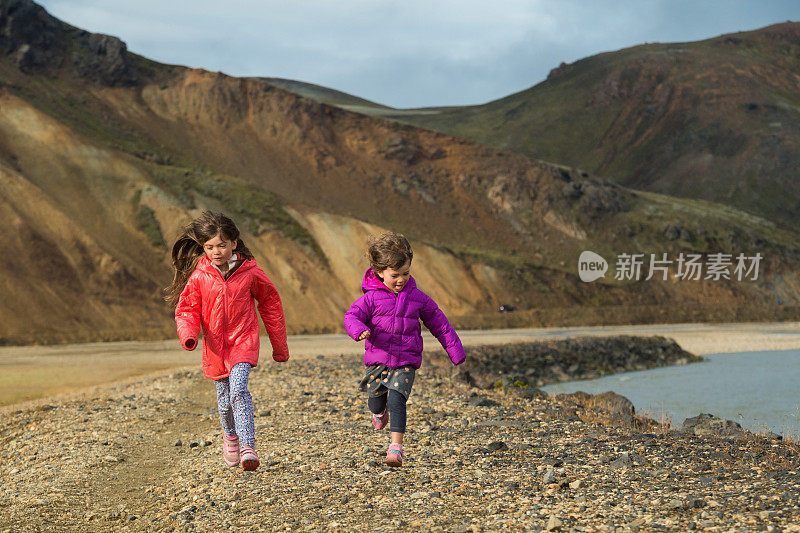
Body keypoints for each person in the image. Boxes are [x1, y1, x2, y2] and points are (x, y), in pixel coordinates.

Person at [165, 211, 289, 471]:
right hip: (215, 347)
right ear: (203, 247)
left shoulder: (251, 272)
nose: (216, 251)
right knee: (224, 402)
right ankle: (230, 437)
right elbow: (187, 308)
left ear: (234, 242)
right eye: (209, 246)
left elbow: (270, 303)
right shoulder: (200, 276)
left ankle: (248, 447)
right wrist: (189, 335)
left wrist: (279, 347)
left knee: (239, 390)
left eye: (221, 245)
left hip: (244, 340)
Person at [344, 232, 465, 467]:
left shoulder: (418, 298)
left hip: (406, 359)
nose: (401, 279)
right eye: (395, 275)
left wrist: (456, 352)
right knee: (376, 400)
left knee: (398, 398)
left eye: (406, 273)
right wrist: (358, 330)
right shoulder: (370, 299)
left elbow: (440, 324)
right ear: (379, 272)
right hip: (377, 359)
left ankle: (395, 448)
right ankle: (379, 414)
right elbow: (352, 316)